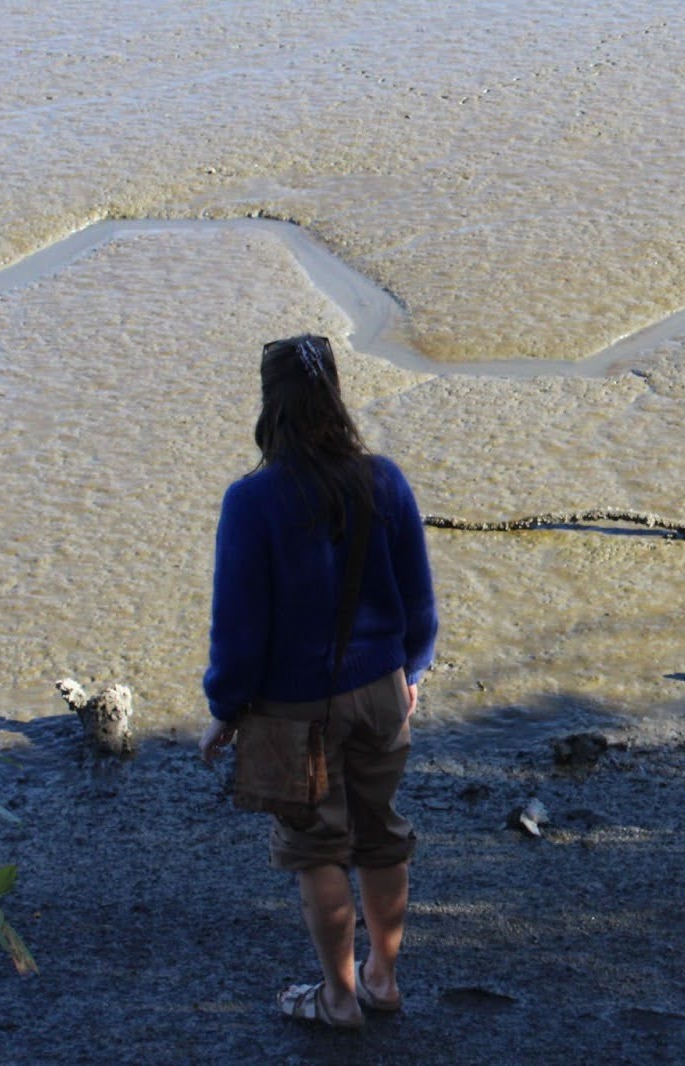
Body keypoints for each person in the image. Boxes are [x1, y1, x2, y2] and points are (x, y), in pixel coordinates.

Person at [199, 334, 438, 1027]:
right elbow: (419, 602)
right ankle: (383, 982)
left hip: (290, 706)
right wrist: (412, 674)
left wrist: (225, 705)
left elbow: (239, 624)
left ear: (271, 405)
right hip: (381, 688)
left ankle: (337, 999)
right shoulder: (384, 479)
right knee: (381, 835)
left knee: (316, 848)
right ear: (336, 395)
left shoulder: (252, 500)